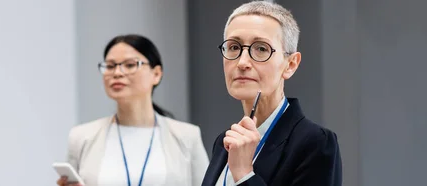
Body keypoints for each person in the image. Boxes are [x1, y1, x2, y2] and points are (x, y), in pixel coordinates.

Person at [201, 1, 342, 186]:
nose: (242, 62)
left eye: (261, 49)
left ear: (290, 64)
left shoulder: (315, 143)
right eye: (234, 47)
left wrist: (244, 175)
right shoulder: (224, 142)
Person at [57, 34, 209, 186]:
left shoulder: (187, 137)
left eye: (129, 65)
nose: (117, 73)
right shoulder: (81, 137)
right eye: (110, 66)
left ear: (156, 74)